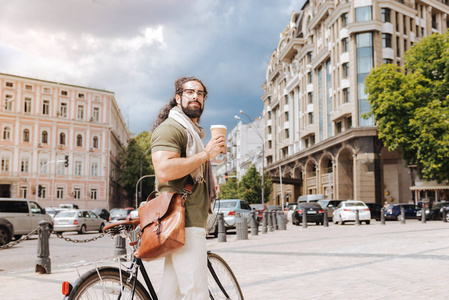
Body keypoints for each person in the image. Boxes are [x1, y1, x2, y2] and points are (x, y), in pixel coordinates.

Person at [151, 76, 226, 299]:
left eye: (200, 93)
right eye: (189, 92)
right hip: (184, 220)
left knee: (170, 294)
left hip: (186, 220)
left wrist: (208, 184)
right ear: (178, 97)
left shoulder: (193, 133)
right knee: (196, 293)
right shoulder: (171, 128)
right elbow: (164, 170)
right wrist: (205, 154)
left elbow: (188, 171)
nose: (195, 96)